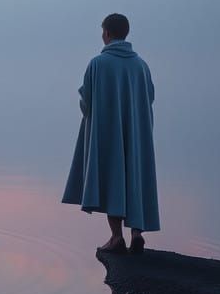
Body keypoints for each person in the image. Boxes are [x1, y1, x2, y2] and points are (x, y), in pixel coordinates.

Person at [62, 13, 159, 253]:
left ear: (106, 33)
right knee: (134, 177)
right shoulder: (141, 65)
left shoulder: (97, 64)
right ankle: (137, 233)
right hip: (136, 134)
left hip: (107, 133)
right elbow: (150, 98)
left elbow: (87, 101)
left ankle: (117, 237)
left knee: (111, 178)